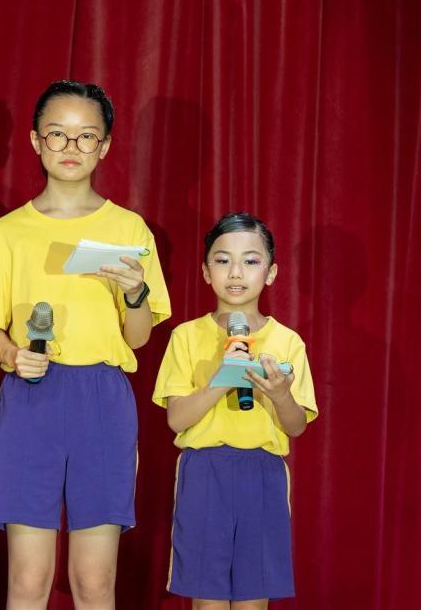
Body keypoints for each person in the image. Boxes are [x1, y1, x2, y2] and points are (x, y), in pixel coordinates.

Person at [0, 79, 171, 609]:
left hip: (102, 398)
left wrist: (135, 292)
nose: (71, 147)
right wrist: (13, 355)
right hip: (31, 398)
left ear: (104, 146)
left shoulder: (129, 230)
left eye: (86, 137)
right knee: (27, 580)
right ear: (36, 141)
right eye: (57, 134)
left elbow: (138, 337)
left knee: (94, 581)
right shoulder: (7, 232)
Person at [153, 211, 317, 608]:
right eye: (223, 260)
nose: (236, 272)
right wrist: (222, 379)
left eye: (251, 260)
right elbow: (177, 418)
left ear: (271, 273)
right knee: (207, 599)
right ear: (206, 272)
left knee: (253, 598)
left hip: (262, 472)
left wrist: (279, 394)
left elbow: (296, 426)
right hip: (204, 470)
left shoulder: (287, 341)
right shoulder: (186, 336)